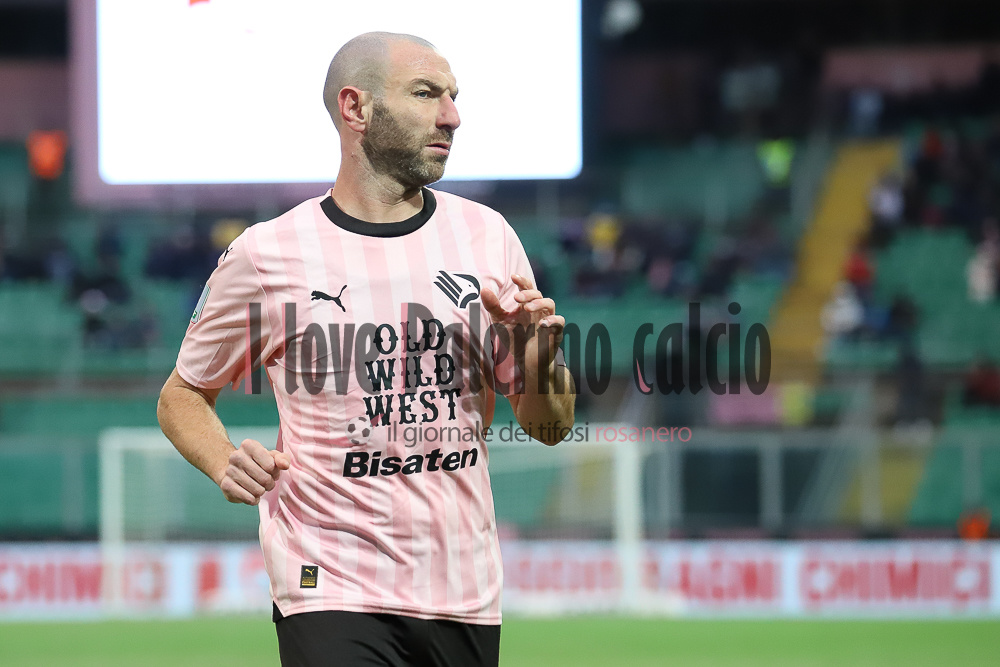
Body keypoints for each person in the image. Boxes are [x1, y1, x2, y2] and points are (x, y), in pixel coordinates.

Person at [156, 32, 575, 666]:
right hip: (327, 584)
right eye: (426, 93)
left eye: (454, 97)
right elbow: (182, 395)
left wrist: (540, 364)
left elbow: (548, 427)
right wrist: (221, 460)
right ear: (356, 108)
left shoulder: (487, 236)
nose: (452, 115)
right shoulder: (268, 255)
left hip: (462, 588)